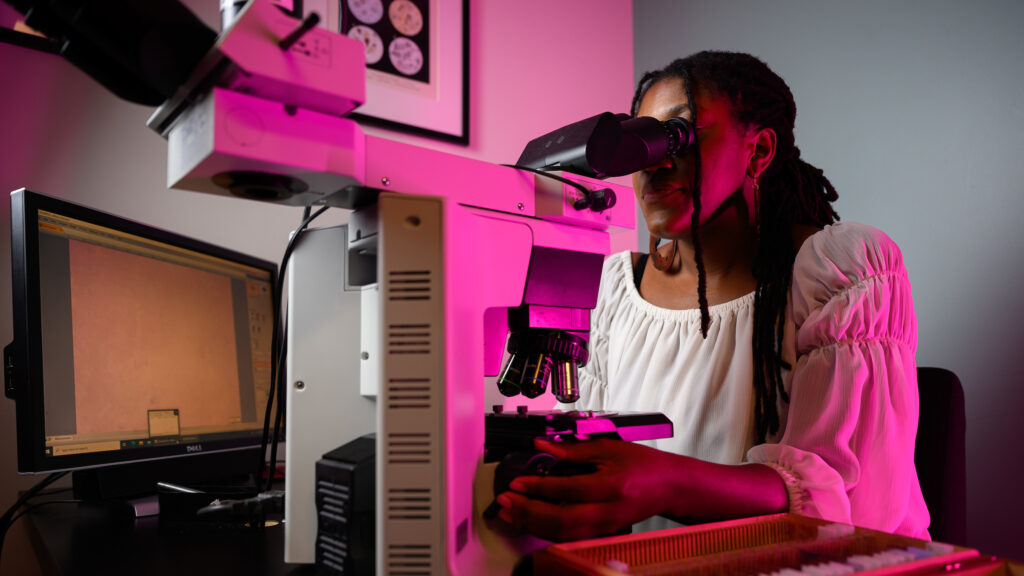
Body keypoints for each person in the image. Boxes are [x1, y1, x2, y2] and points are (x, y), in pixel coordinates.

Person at [495, 51, 929, 542]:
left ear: (758, 151)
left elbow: (851, 506)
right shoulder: (615, 288)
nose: (655, 163)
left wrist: (666, 484)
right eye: (641, 142)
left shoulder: (841, 273)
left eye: (678, 135)